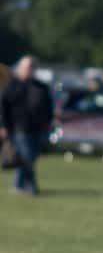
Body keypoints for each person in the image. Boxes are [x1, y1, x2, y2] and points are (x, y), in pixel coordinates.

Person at [0, 55, 55, 197]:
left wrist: (49, 122)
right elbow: (3, 108)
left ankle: (17, 185)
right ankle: (32, 187)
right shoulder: (12, 86)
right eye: (25, 67)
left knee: (28, 157)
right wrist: (4, 126)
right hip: (19, 128)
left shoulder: (40, 87)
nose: (28, 70)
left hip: (39, 128)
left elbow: (49, 107)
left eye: (30, 67)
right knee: (27, 157)